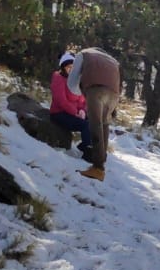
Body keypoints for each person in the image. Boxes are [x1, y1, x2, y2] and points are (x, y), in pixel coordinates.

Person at [66, 47, 121, 181]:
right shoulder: (113, 61)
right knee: (104, 124)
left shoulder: (84, 54)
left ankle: (97, 167)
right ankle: (101, 161)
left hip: (95, 89)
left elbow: (71, 83)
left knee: (95, 124)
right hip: (114, 94)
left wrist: (81, 92)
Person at [48, 51, 92, 162]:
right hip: (59, 113)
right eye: (69, 67)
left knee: (94, 122)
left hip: (74, 113)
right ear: (63, 67)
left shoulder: (76, 80)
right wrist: (75, 113)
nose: (71, 70)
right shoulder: (58, 78)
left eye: (73, 67)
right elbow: (60, 100)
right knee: (85, 125)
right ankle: (87, 153)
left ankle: (86, 147)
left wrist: (82, 110)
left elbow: (82, 100)